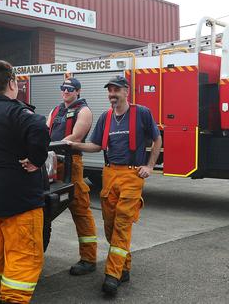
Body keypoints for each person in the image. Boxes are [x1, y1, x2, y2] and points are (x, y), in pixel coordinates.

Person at [67, 75, 161, 295]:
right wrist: (74, 145)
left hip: (132, 175)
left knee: (122, 225)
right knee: (110, 226)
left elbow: (157, 139)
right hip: (109, 175)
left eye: (116, 90)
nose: (112, 94)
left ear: (126, 91)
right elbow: (96, 145)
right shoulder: (105, 117)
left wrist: (150, 166)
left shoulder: (142, 113)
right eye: (109, 90)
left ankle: (112, 275)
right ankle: (124, 268)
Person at [0, 60, 50, 304]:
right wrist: (36, 160)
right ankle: (14, 298)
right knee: (24, 254)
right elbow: (39, 127)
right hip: (20, 199)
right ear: (12, 83)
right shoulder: (18, 112)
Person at [46, 78, 98, 276]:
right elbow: (45, 130)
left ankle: (88, 259)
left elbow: (75, 137)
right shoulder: (56, 110)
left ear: (78, 91)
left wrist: (51, 146)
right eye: (63, 88)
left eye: (69, 89)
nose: (65, 91)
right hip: (51, 162)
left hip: (71, 164)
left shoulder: (83, 111)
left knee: (81, 211)